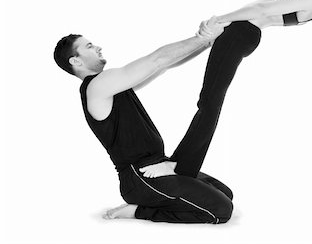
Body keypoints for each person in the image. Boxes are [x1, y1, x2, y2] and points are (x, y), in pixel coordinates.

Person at [54, 16, 262, 224]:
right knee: (221, 210)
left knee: (225, 193)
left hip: (161, 165)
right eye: (89, 46)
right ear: (76, 61)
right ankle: (138, 211)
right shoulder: (97, 87)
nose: (98, 47)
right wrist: (204, 37)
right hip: (141, 177)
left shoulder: (112, 86)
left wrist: (208, 42)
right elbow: (157, 59)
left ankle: (156, 201)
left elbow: (163, 66)